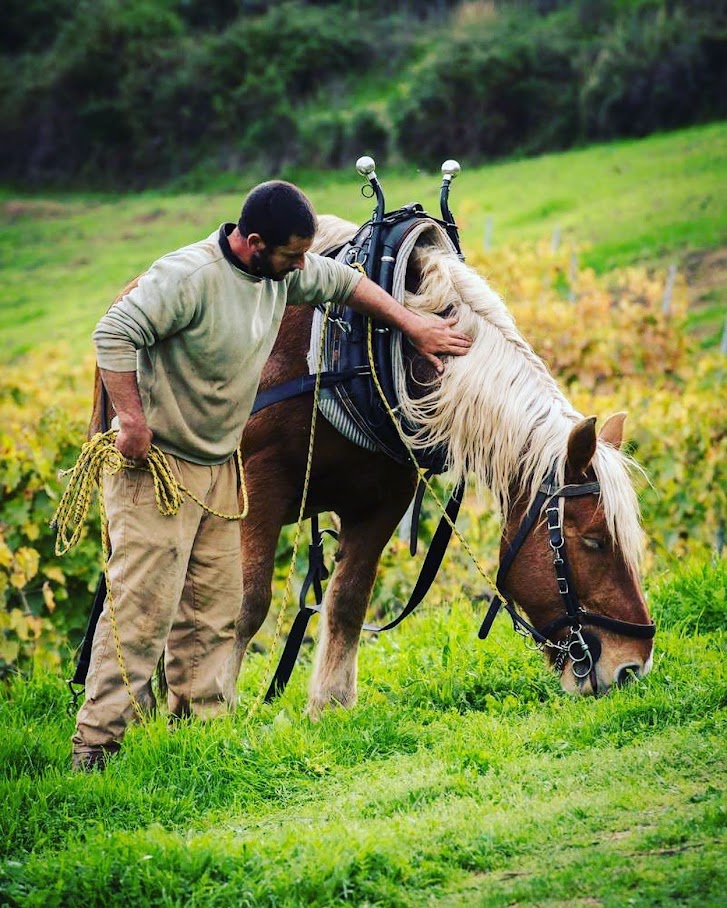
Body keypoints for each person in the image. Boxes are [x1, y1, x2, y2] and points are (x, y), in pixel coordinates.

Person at [71, 180, 471, 771]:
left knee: (215, 608)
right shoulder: (188, 277)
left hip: (219, 467)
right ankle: (95, 748)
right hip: (157, 469)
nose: (299, 267)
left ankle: (197, 743)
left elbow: (345, 282)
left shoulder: (279, 273)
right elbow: (112, 333)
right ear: (253, 242)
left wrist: (414, 326)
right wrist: (130, 421)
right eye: (290, 256)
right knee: (140, 610)